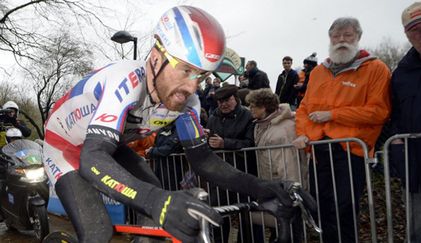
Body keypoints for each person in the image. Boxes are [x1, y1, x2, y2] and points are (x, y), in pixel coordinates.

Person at [43, 6, 298, 243]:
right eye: (185, 70)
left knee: (155, 212)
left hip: (110, 144)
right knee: (98, 231)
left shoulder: (189, 102)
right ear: (156, 58)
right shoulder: (126, 80)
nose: (192, 87)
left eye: (202, 75)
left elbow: (204, 162)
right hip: (65, 146)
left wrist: (261, 188)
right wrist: (156, 201)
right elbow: (92, 158)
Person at [292, 17, 391, 243]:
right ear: (329, 39)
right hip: (318, 149)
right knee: (319, 204)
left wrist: (334, 114)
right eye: (336, 36)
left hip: (351, 149)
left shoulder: (376, 69)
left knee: (345, 207)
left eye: (347, 35)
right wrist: (302, 134)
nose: (341, 40)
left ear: (358, 37)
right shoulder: (318, 72)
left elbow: (378, 111)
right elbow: (304, 108)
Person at [390, 1, 421, 241]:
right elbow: (393, 115)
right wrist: (397, 148)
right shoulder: (401, 73)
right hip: (418, 174)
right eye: (415, 29)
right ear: (407, 35)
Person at [246, 88, 307, 242]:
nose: (250, 109)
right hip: (274, 185)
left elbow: (288, 163)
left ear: (264, 107)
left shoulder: (282, 129)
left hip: (284, 188)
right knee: (281, 230)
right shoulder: (262, 125)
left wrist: (290, 191)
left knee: (291, 229)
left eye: (253, 106)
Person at [205, 84, 256, 242]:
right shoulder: (213, 118)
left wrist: (224, 143)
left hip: (243, 173)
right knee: (220, 215)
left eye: (227, 100)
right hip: (219, 177)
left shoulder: (247, 116)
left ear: (236, 99)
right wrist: (207, 140)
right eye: (220, 102)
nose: (223, 104)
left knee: (247, 217)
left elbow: (250, 144)